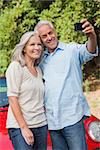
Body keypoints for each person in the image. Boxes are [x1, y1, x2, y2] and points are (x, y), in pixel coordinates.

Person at [34, 19, 98, 150]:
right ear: (40, 40)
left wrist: (92, 36)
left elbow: (90, 50)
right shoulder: (40, 61)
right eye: (44, 36)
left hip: (72, 117)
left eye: (50, 33)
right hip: (52, 121)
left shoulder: (71, 50)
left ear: (55, 32)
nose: (49, 38)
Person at [6, 31, 47, 150]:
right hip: (20, 126)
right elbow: (13, 99)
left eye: (39, 45)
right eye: (32, 45)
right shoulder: (16, 67)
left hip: (41, 124)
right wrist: (24, 128)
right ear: (24, 48)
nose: (37, 48)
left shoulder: (39, 70)